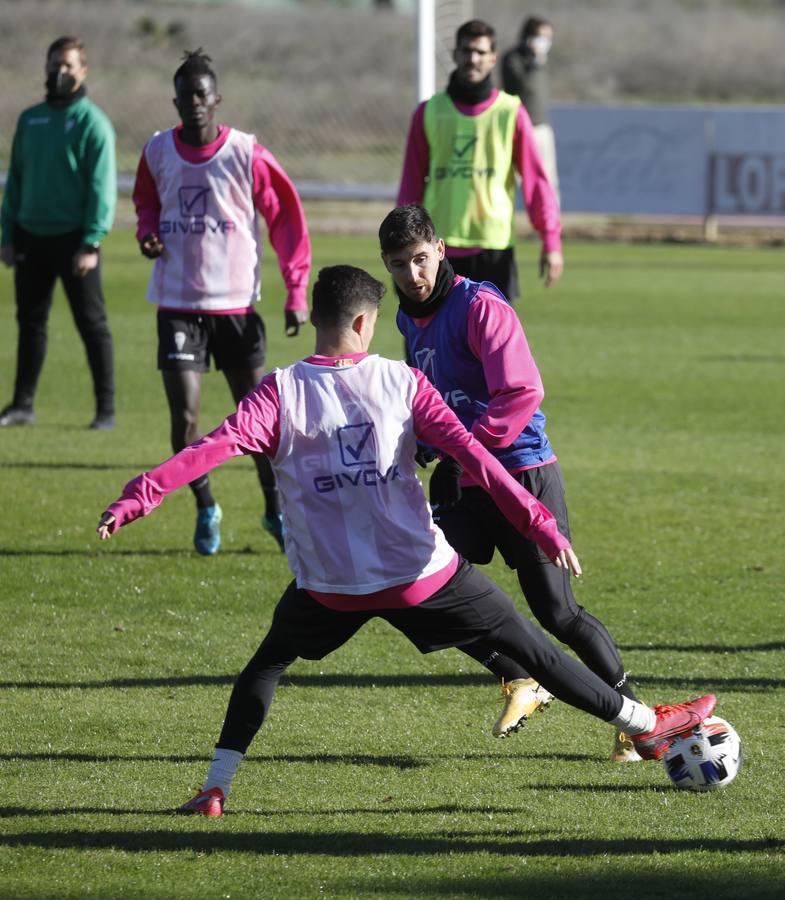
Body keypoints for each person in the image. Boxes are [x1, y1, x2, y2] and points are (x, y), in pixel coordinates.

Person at [97, 264, 716, 817]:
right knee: (535, 648)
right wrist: (538, 520)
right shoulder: (401, 382)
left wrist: (139, 496)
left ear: (319, 318)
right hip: (421, 576)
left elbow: (208, 451)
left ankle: (215, 787)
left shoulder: (277, 393)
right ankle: (646, 725)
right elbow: (476, 455)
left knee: (266, 665)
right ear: (365, 322)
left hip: (329, 588)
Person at [380, 204, 643, 763]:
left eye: (421, 260)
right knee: (423, 584)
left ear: (441, 250)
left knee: (557, 614)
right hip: (467, 477)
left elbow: (520, 395)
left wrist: (462, 453)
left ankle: (635, 718)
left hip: (521, 473)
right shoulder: (409, 318)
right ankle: (520, 676)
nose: (413, 275)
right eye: (399, 265)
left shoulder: (480, 307)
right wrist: (425, 446)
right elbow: (434, 396)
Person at [132, 49, 311, 556]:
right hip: (178, 304)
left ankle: (274, 509)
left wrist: (296, 290)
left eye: (202, 94)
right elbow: (146, 201)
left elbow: (285, 218)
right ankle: (206, 505)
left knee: (259, 424)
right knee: (184, 420)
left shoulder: (245, 153)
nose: (194, 103)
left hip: (235, 307)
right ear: (175, 100)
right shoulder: (158, 150)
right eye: (185, 95)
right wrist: (147, 232)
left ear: (217, 100)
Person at [397, 18, 562, 303]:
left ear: (493, 57)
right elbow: (411, 185)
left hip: (493, 248)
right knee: (428, 345)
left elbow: (536, 184)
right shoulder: (430, 112)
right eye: (466, 51)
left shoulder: (510, 112)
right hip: (438, 248)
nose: (473, 59)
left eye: (481, 52)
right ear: (456, 55)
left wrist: (551, 240)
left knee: (491, 345)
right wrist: (402, 242)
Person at [0, 36, 116, 430]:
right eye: (54, 63)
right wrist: (7, 234)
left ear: (83, 71)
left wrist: (91, 241)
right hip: (31, 236)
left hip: (75, 242)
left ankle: (106, 410)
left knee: (91, 324)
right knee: (30, 322)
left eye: (68, 65)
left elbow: (102, 188)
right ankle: (22, 405)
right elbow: (15, 180)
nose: (60, 71)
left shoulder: (92, 123)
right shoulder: (29, 119)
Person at [501, 15, 560, 203]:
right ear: (528, 36)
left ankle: (551, 224)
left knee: (547, 180)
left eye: (548, 38)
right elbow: (526, 87)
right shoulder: (513, 59)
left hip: (542, 127)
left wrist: (539, 62)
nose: (545, 42)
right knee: (511, 179)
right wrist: (534, 63)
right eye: (541, 36)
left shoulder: (543, 62)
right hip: (517, 128)